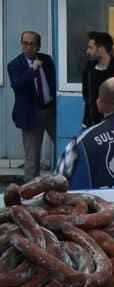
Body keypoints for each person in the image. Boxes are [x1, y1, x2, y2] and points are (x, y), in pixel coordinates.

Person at [7, 31, 57, 182]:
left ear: (38, 46)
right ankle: (30, 189)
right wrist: (32, 69)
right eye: (25, 43)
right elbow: (17, 86)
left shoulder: (46, 60)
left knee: (65, 146)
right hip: (31, 114)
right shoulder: (15, 64)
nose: (28, 47)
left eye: (32, 44)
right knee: (32, 158)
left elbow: (54, 82)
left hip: (51, 110)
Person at [82, 31, 114, 128]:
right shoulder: (89, 69)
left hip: (112, 127)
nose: (87, 51)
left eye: (91, 48)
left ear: (101, 49)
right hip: (89, 125)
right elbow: (86, 95)